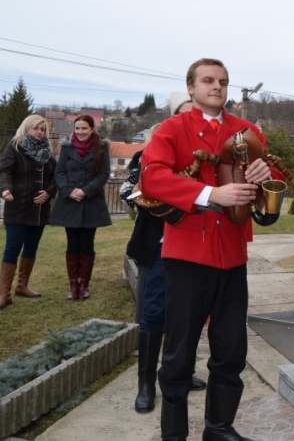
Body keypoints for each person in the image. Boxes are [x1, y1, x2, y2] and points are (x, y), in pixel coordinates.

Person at [141, 58, 281, 441]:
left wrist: (266, 174)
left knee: (231, 349)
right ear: (191, 87)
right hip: (187, 258)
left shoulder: (247, 130)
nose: (216, 86)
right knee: (179, 355)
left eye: (222, 81)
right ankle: (174, 435)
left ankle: (219, 428)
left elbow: (276, 175)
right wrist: (209, 193)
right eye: (207, 80)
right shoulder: (173, 128)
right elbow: (151, 177)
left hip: (232, 256)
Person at [120, 92, 206, 414]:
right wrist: (163, 199)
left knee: (187, 314)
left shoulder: (205, 153)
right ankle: (146, 384)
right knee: (155, 312)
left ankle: (178, 373)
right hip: (159, 246)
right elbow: (129, 193)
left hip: (196, 245)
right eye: (185, 112)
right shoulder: (149, 152)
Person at [50, 114, 112, 300]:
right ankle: (73, 285)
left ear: (92, 129)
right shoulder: (67, 147)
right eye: (77, 128)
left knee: (87, 244)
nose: (80, 132)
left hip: (91, 201)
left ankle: (84, 285)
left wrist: (85, 191)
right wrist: (69, 191)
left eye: (84, 128)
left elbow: (104, 174)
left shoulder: (101, 147)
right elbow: (59, 172)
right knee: (72, 244)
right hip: (70, 201)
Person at [0, 115, 57, 309]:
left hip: (39, 210)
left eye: (42, 129)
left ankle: (22, 286)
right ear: (27, 128)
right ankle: (4, 293)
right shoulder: (15, 147)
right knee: (12, 248)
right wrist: (5, 189)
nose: (39, 132)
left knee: (31, 248)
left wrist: (49, 193)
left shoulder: (47, 152)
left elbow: (55, 178)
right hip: (17, 206)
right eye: (36, 128)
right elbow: (5, 170)